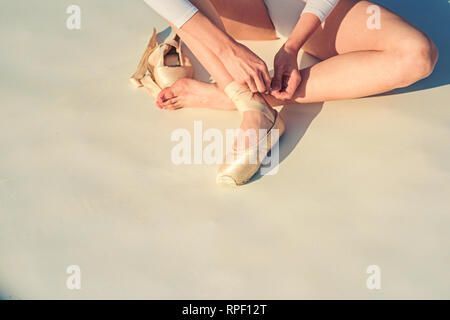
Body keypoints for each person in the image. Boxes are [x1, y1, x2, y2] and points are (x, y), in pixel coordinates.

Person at [143, 0, 438, 185]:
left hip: (302, 9)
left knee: (417, 55)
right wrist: (229, 50)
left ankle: (229, 97)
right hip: (235, 11)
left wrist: (293, 46)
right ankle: (247, 102)